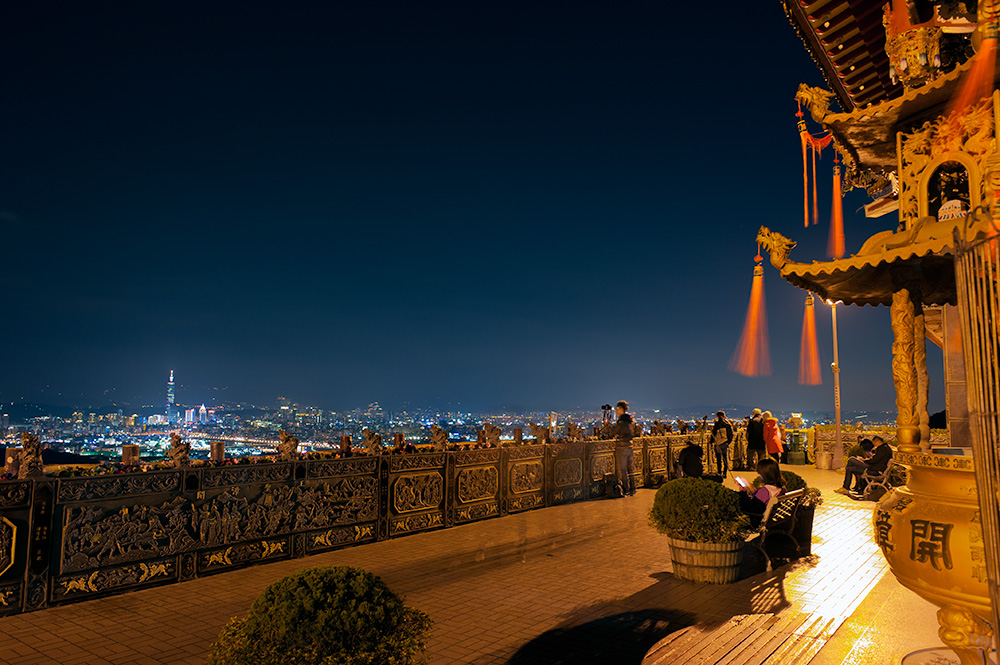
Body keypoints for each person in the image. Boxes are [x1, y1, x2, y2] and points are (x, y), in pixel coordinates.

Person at [735, 457, 786, 527]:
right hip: (775, 519)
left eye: (759, 473)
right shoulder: (781, 488)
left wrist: (743, 491)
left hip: (760, 521)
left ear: (765, 474)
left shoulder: (765, 490)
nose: (759, 475)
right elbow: (762, 498)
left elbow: (749, 507)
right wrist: (751, 487)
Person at [610, 400, 636, 497]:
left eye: (617, 408)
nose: (616, 410)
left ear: (621, 409)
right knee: (630, 469)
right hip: (630, 446)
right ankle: (633, 489)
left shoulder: (622, 420)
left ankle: (626, 490)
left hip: (622, 446)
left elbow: (615, 431)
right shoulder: (631, 420)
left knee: (623, 470)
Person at [711, 411, 734, 476]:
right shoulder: (727, 424)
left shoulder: (717, 424)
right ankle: (725, 473)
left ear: (717, 416)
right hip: (725, 443)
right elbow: (731, 434)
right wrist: (728, 442)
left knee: (718, 459)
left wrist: (711, 442)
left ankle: (719, 472)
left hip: (718, 443)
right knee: (725, 458)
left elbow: (713, 434)